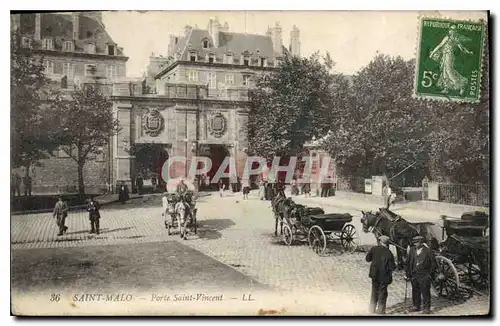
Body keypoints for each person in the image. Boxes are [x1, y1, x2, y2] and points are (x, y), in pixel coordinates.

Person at [366, 235, 396, 314]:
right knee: (382, 293)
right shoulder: (389, 253)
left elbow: (367, 259)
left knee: (374, 291)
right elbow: (392, 267)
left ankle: (372, 309)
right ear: (387, 243)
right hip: (384, 276)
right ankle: (380, 310)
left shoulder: (374, 249)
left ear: (380, 241)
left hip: (374, 275)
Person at [405, 236, 436, 314]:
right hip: (414, 275)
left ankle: (426, 308)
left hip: (424, 275)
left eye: (417, 242)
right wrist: (407, 274)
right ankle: (416, 306)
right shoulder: (412, 250)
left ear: (421, 243)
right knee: (415, 291)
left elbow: (433, 264)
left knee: (425, 292)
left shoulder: (428, 251)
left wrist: (429, 275)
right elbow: (408, 263)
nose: (415, 244)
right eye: (414, 242)